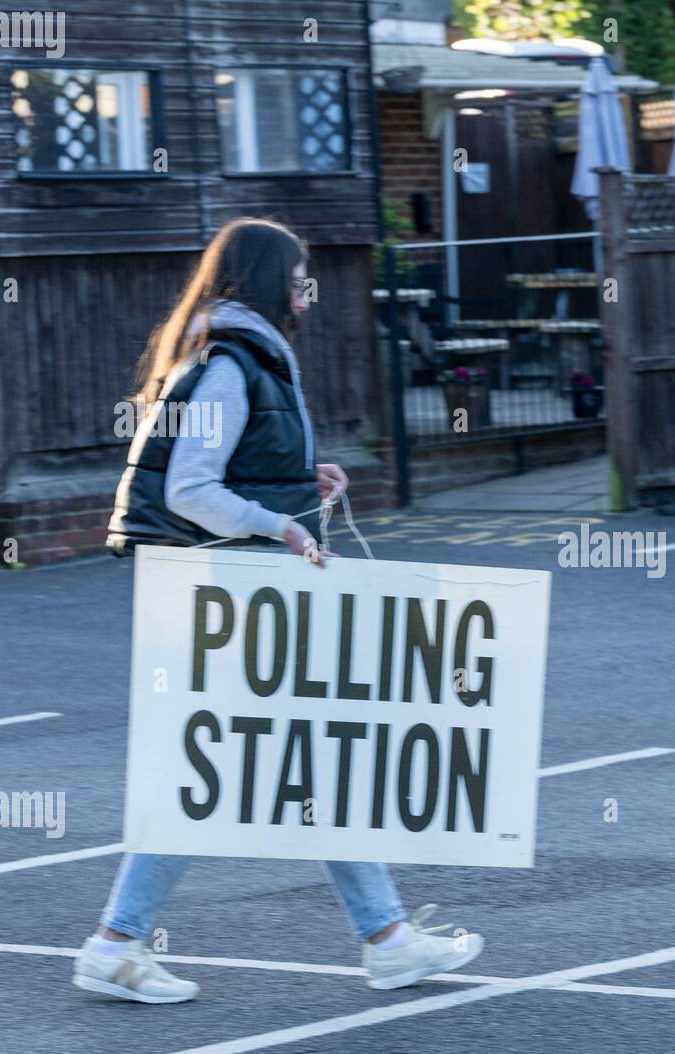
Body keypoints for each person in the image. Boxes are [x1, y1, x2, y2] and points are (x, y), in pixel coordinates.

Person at [77, 217, 483, 1004]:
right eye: (299, 276)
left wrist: (300, 478)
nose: (307, 291)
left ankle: (387, 938)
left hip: (234, 582)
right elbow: (189, 489)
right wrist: (282, 523)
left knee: (295, 757)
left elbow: (231, 467)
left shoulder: (226, 350)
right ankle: (117, 942)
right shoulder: (232, 358)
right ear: (267, 280)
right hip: (233, 586)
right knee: (235, 765)